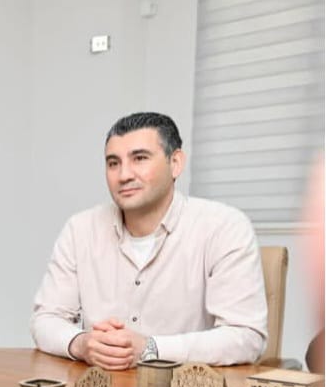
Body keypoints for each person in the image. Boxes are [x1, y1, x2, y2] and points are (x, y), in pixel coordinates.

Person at [30, 112, 268, 370]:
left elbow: (245, 337)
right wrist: (82, 343)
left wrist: (150, 348)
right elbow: (46, 319)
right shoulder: (80, 229)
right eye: (113, 163)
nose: (124, 175)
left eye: (140, 158)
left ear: (175, 163)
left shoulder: (224, 227)